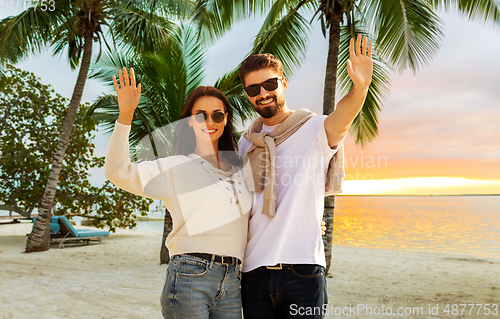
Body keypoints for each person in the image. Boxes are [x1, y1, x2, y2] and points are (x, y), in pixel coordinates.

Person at [237, 35, 373, 318]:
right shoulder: (244, 143)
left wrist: (360, 88)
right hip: (253, 274)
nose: (263, 93)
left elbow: (342, 117)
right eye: (253, 88)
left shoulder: (313, 129)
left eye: (270, 84)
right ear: (247, 94)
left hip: (303, 272)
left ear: (283, 83)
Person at [104, 67, 253, 319]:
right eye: (200, 116)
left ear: (226, 119)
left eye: (217, 115)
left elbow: (259, 214)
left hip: (234, 280)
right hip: (190, 276)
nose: (209, 122)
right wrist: (126, 114)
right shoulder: (176, 167)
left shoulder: (240, 169)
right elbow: (117, 171)